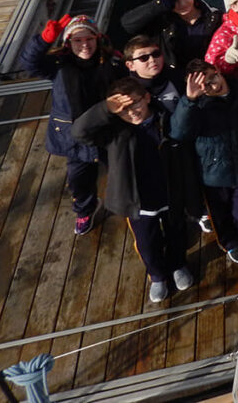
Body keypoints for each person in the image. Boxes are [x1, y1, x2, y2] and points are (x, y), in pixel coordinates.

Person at [73, 78, 192, 302]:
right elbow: (79, 132)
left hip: (170, 192)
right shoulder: (113, 132)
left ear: (146, 97)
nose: (131, 112)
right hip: (138, 201)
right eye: (123, 109)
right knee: (147, 242)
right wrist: (105, 108)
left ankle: (178, 264)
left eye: (135, 103)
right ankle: (157, 276)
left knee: (177, 232)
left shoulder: (165, 118)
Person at [20, 14, 125, 235]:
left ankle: (131, 201)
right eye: (77, 40)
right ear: (68, 42)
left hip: (107, 129)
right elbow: (30, 63)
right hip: (75, 136)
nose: (84, 45)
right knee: (79, 179)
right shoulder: (58, 65)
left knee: (122, 168)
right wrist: (44, 40)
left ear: (97, 39)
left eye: (89, 39)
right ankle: (86, 209)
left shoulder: (111, 61)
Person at [171, 60, 238, 264]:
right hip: (213, 173)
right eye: (205, 85)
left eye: (213, 77)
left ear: (218, 71)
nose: (213, 85)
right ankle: (230, 242)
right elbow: (178, 132)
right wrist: (189, 100)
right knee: (219, 214)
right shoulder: (197, 107)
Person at [123, 34, 209, 233]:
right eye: (143, 57)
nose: (152, 60)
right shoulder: (128, 92)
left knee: (192, 177)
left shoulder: (175, 77)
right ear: (130, 65)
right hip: (154, 147)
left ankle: (198, 211)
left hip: (185, 139)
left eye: (156, 54)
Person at [120, 0, 222, 71]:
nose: (182, 4)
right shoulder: (161, 21)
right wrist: (158, 4)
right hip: (175, 76)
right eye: (174, 0)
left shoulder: (215, 17)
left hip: (211, 73)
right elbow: (128, 24)